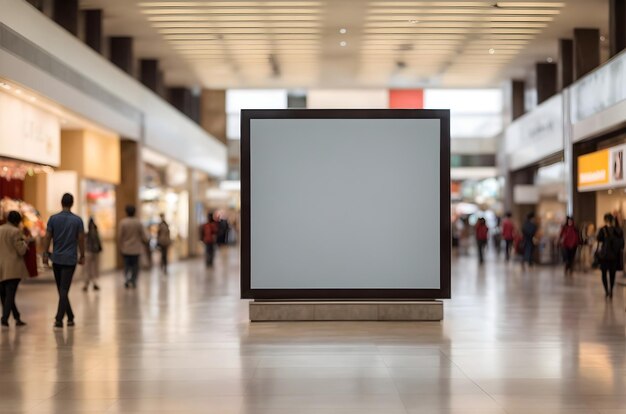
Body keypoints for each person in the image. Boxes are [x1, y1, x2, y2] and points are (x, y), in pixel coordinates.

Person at [42, 193, 85, 329]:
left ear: (61, 203)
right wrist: (82, 255)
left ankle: (60, 318)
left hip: (57, 258)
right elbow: (81, 239)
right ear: (72, 203)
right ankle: (66, 318)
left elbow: (47, 237)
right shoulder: (77, 220)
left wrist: (44, 253)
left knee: (62, 289)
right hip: (70, 259)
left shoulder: (53, 219)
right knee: (63, 289)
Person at [0, 211, 30, 328]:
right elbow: (21, 251)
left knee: (3, 294)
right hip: (13, 267)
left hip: (1, 267)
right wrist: (26, 243)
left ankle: (17, 317)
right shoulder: (16, 231)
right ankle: (5, 318)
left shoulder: (0, 229)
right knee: (10, 294)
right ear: (17, 221)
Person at [596, 213, 624, 299]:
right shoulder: (618, 230)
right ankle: (611, 290)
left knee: (604, 274)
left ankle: (606, 291)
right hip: (614, 256)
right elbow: (622, 243)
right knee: (612, 274)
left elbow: (598, 239)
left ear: (605, 220)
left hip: (604, 255)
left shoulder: (603, 229)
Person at [118, 205, 146, 289]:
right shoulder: (138, 223)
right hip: (136, 248)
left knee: (127, 265)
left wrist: (120, 246)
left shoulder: (123, 222)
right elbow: (143, 235)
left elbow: (120, 236)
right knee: (135, 266)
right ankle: (133, 280)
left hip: (126, 248)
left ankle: (127, 279)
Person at [83, 218, 102, 292]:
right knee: (93, 269)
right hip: (93, 252)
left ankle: (88, 284)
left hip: (89, 252)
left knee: (89, 269)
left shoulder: (87, 234)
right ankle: (92, 283)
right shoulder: (95, 233)